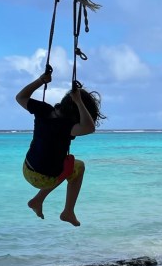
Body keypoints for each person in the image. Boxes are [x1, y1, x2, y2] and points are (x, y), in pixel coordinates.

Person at [15, 68, 102, 227]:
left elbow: (20, 97)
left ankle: (38, 200)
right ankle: (68, 211)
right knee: (79, 167)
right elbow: (89, 127)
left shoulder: (43, 110)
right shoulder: (67, 126)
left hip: (27, 169)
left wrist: (41, 80)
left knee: (65, 165)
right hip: (45, 178)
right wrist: (79, 102)